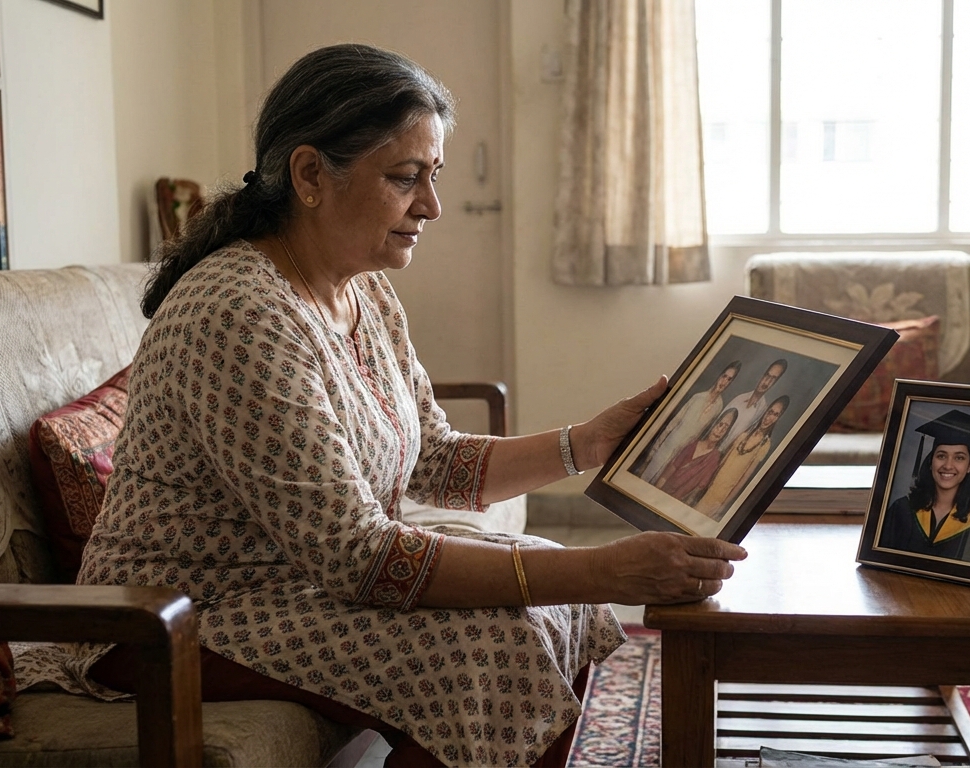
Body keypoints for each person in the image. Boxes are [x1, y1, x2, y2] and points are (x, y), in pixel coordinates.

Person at [74, 44, 747, 768]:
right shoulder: (239, 312)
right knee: (501, 649)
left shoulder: (363, 290)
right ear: (309, 175)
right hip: (175, 616)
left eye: (433, 176)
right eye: (405, 178)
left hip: (289, 588)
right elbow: (358, 557)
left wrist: (588, 443)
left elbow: (433, 459)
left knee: (557, 600)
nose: (431, 205)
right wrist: (604, 571)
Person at [877, 409, 970, 563]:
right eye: (941, 456)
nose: (948, 465)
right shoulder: (901, 510)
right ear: (931, 462)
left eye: (959, 458)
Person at [634, 361, 740, 484]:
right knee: (644, 478)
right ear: (719, 376)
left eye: (729, 379)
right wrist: (653, 451)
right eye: (724, 376)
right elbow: (673, 424)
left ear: (731, 383)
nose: (724, 382)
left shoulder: (718, 407)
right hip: (666, 447)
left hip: (681, 457)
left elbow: (702, 436)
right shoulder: (698, 397)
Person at [696, 396, 791, 520]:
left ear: (778, 418)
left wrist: (724, 505)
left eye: (775, 415)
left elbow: (745, 477)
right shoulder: (745, 433)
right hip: (710, 486)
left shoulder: (764, 444)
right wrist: (707, 482)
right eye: (770, 411)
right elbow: (723, 461)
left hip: (721, 496)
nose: (769, 417)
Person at [656, 408, 739, 506]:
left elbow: (697, 490)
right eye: (720, 424)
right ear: (714, 424)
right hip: (660, 494)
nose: (720, 431)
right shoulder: (692, 444)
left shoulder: (714, 458)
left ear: (726, 433)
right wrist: (656, 492)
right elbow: (669, 471)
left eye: (725, 428)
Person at [719, 359, 787, 450]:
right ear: (762, 375)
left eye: (773, 379)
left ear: (775, 383)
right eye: (767, 375)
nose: (767, 382)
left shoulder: (763, 412)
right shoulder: (740, 398)